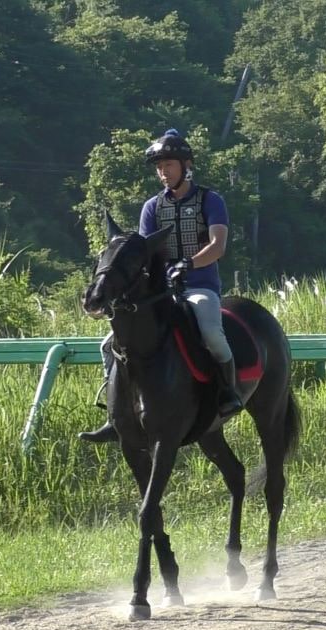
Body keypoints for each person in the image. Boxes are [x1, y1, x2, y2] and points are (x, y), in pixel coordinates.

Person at [79, 129, 242, 443]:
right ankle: (117, 414)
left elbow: (218, 246)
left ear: (185, 165)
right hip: (161, 292)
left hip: (199, 286)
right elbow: (143, 256)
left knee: (211, 333)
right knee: (107, 346)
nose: (163, 172)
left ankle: (227, 392)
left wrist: (189, 264)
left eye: (168, 165)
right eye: (159, 167)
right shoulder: (151, 207)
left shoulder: (211, 200)